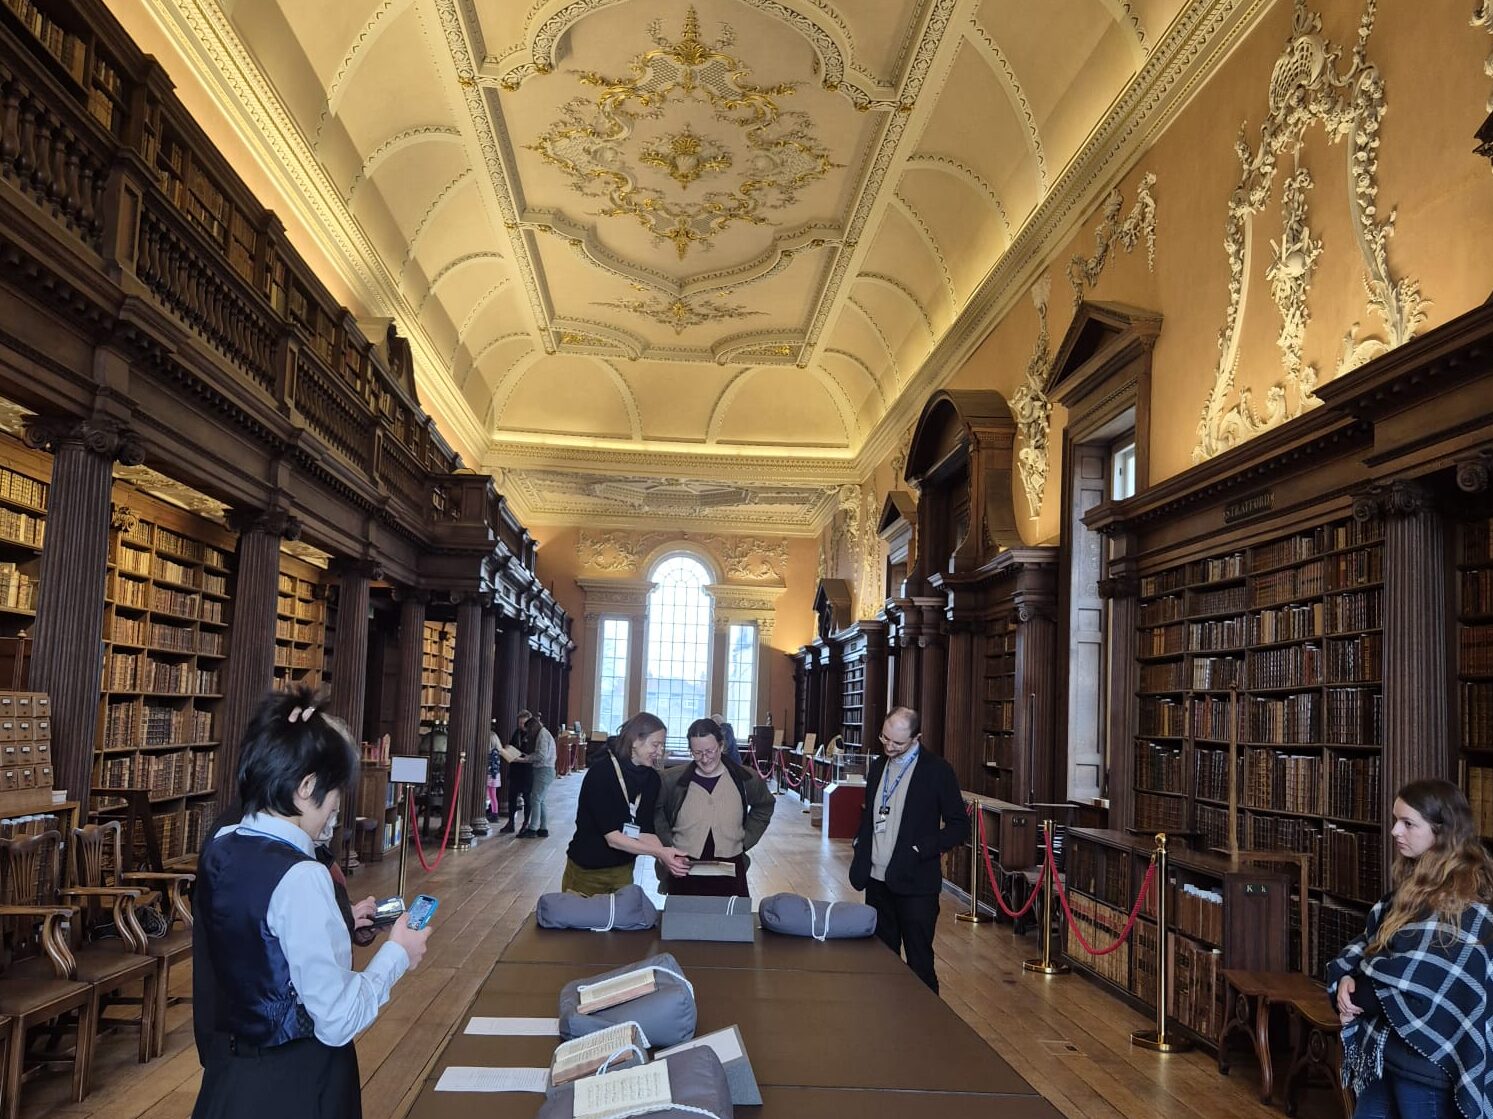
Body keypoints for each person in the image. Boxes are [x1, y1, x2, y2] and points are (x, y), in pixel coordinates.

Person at [192, 687, 430, 1119]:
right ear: (306, 787)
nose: (335, 810)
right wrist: (397, 954)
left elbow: (256, 940)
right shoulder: (302, 876)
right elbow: (337, 1018)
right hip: (296, 1081)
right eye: (336, 794)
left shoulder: (222, 844)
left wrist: (336, 921)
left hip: (228, 1076)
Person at [1328, 779, 1493, 1119]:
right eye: (1395, 820)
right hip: (1384, 1054)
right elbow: (1372, 948)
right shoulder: (1411, 889)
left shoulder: (1465, 902)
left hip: (1428, 1065)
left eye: (1407, 823)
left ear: (1441, 830)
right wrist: (1346, 975)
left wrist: (1356, 990)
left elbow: (1414, 979)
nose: (1394, 831)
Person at [848, 706, 969, 993]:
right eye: (885, 738)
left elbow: (959, 826)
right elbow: (871, 816)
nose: (889, 746)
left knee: (919, 964)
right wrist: (860, 843)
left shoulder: (937, 771)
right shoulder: (878, 765)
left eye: (898, 743)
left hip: (916, 885)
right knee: (881, 961)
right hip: (877, 882)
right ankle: (886, 1026)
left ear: (917, 738)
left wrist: (920, 848)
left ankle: (927, 1029)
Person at [562, 712, 691, 896]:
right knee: (581, 923)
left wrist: (669, 856)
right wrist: (659, 853)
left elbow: (645, 831)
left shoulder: (652, 779)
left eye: (662, 745)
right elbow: (613, 838)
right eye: (655, 745)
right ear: (635, 741)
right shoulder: (601, 773)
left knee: (621, 922)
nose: (660, 752)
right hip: (587, 870)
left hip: (623, 868)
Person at [655, 718, 774, 897]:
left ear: (722, 745)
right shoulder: (671, 780)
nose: (704, 759)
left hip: (731, 865)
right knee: (682, 921)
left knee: (731, 921)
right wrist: (668, 844)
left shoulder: (746, 778)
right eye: (697, 753)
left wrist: (747, 838)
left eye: (710, 751)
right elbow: (656, 811)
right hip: (684, 866)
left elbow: (764, 806)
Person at [518, 713, 557, 839]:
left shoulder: (542, 735)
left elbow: (541, 755)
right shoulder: (544, 733)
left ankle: (533, 828)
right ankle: (543, 828)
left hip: (544, 770)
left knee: (535, 799)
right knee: (541, 800)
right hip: (546, 770)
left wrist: (525, 759)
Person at [499, 710, 532, 834]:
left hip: (527, 771)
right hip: (515, 770)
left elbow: (532, 754)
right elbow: (512, 746)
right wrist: (507, 750)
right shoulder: (517, 733)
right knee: (511, 796)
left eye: (524, 723)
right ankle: (511, 822)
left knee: (527, 797)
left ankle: (525, 823)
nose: (521, 725)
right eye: (520, 722)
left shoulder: (533, 736)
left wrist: (520, 756)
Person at [485, 719, 503, 822]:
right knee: (493, 795)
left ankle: (489, 812)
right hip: (496, 775)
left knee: (487, 794)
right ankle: (494, 813)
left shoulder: (490, 755)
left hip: (489, 775)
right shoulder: (496, 753)